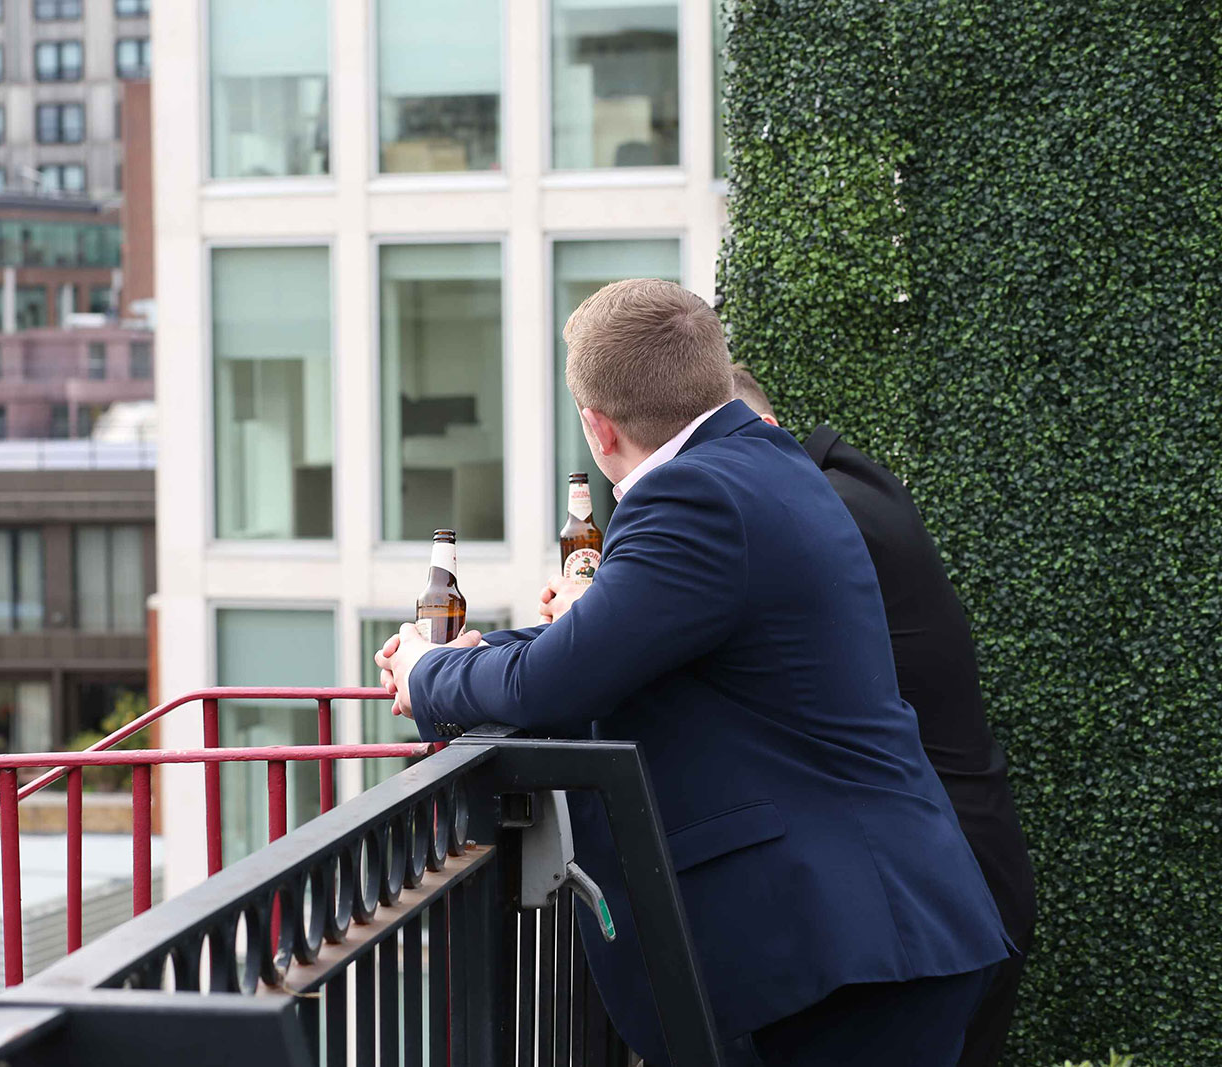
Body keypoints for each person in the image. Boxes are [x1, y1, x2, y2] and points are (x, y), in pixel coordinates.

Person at [375, 279, 1011, 1067]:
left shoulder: (692, 495)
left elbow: (556, 681)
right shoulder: (762, 461)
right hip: (871, 933)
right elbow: (607, 642)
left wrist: (429, 673)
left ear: (597, 428)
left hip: (847, 952)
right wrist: (473, 657)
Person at [728, 365, 1036, 1067]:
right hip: (952, 871)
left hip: (943, 889)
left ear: (763, 431)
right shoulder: (843, 489)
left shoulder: (826, 513)